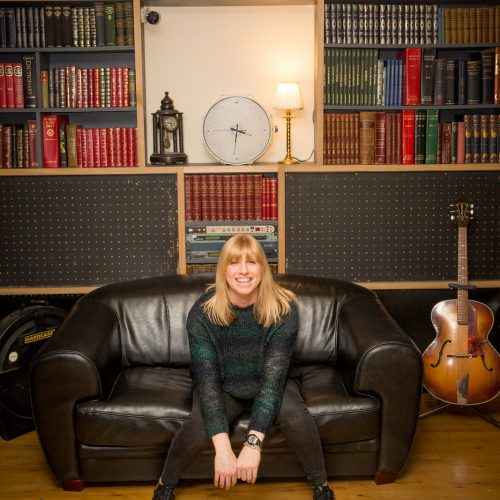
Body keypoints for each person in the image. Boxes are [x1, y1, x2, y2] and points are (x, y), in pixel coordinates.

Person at [153, 234, 335, 500]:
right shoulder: (202, 313)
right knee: (197, 427)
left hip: (269, 382)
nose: (243, 271)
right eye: (234, 262)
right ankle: (164, 485)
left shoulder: (284, 308)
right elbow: (207, 381)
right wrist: (223, 449)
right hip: (223, 386)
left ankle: (321, 486)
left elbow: (273, 381)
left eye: (251, 262)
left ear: (263, 268)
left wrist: (253, 443)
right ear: (223, 270)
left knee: (297, 416)